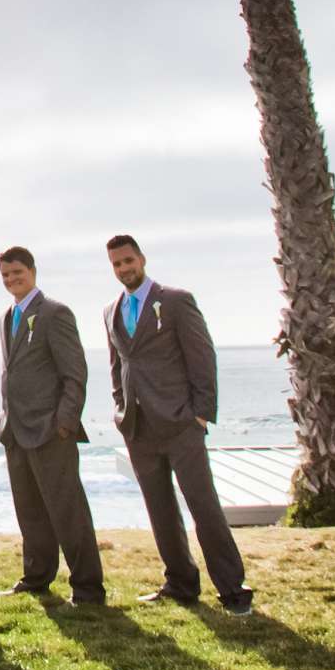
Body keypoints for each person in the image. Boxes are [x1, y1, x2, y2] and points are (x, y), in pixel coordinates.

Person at [105, 234, 251, 614]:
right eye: (117, 264)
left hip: (181, 423)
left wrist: (201, 414)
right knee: (160, 510)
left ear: (142, 259)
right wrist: (121, 409)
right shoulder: (111, 311)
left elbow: (202, 357)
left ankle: (233, 590)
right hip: (139, 428)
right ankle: (180, 583)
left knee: (204, 506)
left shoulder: (175, 301)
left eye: (128, 261)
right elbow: (117, 365)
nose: (124, 269)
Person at [0, 245, 104, 605]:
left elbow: (75, 373)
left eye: (17, 273)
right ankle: (37, 576)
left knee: (67, 511)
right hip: (16, 431)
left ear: (33, 271)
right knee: (30, 510)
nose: (12, 279)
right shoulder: (6, 317)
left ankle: (87, 588)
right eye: (6, 275)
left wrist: (64, 424)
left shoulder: (55, 313)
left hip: (50, 430)